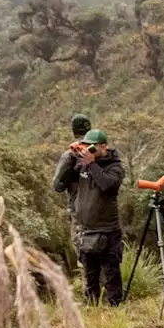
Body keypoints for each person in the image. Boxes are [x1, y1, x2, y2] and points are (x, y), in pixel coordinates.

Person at [52, 129, 127, 306]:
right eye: (86, 146)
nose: (89, 150)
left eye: (92, 146)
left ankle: (115, 307)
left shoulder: (115, 167)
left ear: (103, 147)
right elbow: (60, 182)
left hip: (107, 230)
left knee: (111, 272)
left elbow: (106, 185)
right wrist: (71, 156)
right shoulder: (82, 164)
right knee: (89, 273)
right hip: (86, 229)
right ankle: (92, 307)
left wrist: (92, 164)